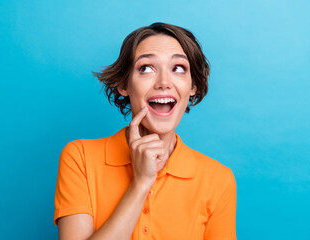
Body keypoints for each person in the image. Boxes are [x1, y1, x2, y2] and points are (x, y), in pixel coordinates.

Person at [54, 22, 237, 240]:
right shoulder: (80, 157)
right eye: (146, 68)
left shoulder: (218, 179)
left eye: (178, 68)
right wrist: (141, 183)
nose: (164, 82)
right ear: (125, 85)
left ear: (193, 86)